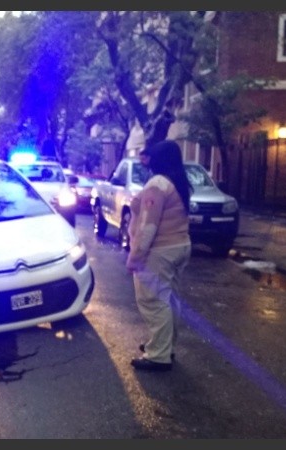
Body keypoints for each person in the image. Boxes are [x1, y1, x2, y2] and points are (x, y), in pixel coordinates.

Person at [126, 140, 192, 372]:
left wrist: (135, 257)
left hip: (159, 251)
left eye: (149, 156)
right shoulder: (177, 182)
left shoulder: (157, 184)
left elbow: (148, 226)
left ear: (159, 159)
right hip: (179, 246)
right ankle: (165, 346)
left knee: (153, 301)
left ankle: (158, 355)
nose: (146, 160)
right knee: (169, 299)